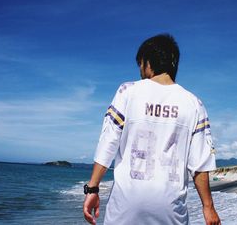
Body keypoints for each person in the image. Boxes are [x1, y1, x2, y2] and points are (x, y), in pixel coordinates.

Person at [83, 34, 221, 225]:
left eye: (140, 64)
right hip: (171, 209)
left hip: (126, 205)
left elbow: (108, 142)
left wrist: (92, 189)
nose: (140, 71)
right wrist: (208, 207)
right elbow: (200, 164)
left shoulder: (128, 91)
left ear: (148, 62)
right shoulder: (194, 103)